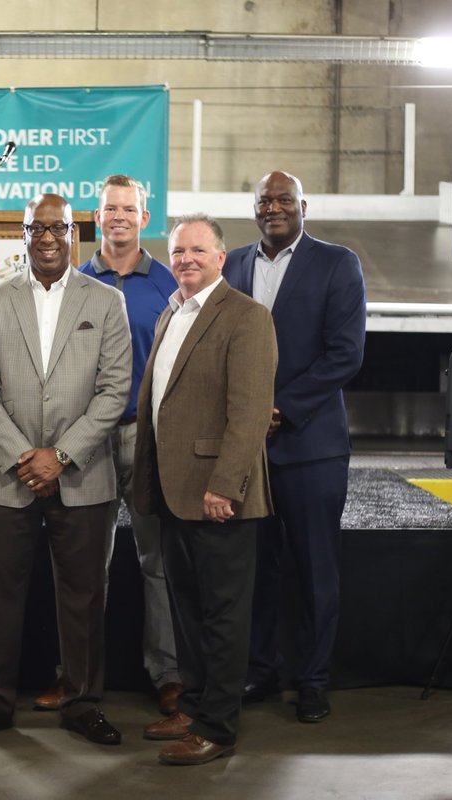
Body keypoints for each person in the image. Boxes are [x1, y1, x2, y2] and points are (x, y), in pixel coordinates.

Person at [0, 193, 132, 747]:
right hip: (9, 476)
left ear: (75, 234)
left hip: (84, 476)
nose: (48, 238)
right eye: (37, 229)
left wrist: (62, 455)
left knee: (84, 597)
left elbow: (115, 389)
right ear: (22, 236)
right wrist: (26, 455)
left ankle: (83, 703)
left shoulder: (106, 302)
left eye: (58, 228)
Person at [34, 174, 181, 716]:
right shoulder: (68, 282)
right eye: (108, 209)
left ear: (145, 217)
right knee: (82, 568)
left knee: (156, 563)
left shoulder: (169, 282)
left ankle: (167, 675)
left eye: (128, 208)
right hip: (82, 442)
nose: (118, 216)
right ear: (96, 219)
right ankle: (74, 678)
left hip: (146, 438)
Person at [133, 214, 277, 766]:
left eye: (198, 250)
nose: (186, 259)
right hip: (173, 492)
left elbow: (248, 416)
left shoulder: (246, 317)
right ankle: (192, 706)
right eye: (178, 252)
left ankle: (218, 726)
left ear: (221, 257)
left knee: (222, 615)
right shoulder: (174, 310)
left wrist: (225, 486)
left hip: (218, 497)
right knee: (188, 610)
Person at [224, 171, 367, 723]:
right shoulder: (233, 264)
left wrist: (278, 408)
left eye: (285, 199)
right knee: (254, 569)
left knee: (313, 569)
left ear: (303, 206)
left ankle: (312, 679)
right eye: (265, 200)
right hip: (245, 450)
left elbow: (345, 352)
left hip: (310, 446)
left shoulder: (337, 263)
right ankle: (259, 670)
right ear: (255, 209)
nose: (274, 207)